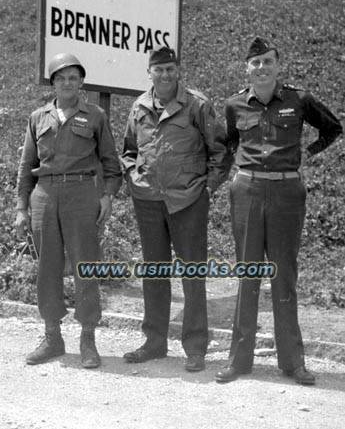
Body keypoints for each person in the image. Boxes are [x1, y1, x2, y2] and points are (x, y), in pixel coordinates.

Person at [216, 36, 343, 385]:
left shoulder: (299, 100)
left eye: (267, 61)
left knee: (283, 274)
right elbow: (227, 142)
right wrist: (232, 172)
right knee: (247, 273)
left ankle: (292, 362)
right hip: (247, 192)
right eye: (255, 63)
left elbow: (333, 128)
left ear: (277, 65)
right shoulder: (234, 105)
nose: (261, 67)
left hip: (287, 192)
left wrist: (310, 156)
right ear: (247, 68)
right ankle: (239, 361)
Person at [121, 45, 231, 372]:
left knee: (192, 273)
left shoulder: (197, 105)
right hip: (149, 201)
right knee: (154, 272)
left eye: (171, 69)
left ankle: (195, 347)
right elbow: (128, 151)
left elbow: (221, 151)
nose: (165, 75)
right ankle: (154, 341)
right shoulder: (139, 107)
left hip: (188, 201)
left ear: (178, 71)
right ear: (150, 72)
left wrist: (206, 189)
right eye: (159, 70)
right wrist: (133, 180)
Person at [15, 53, 122, 368]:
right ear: (53, 83)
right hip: (44, 195)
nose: (67, 83)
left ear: (81, 82)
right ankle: (52, 338)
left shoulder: (96, 116)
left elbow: (111, 162)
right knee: (47, 268)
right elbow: (26, 167)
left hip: (81, 194)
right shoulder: (38, 117)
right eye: (60, 78)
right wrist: (21, 207)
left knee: (85, 265)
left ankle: (88, 340)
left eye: (73, 77)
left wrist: (108, 196)